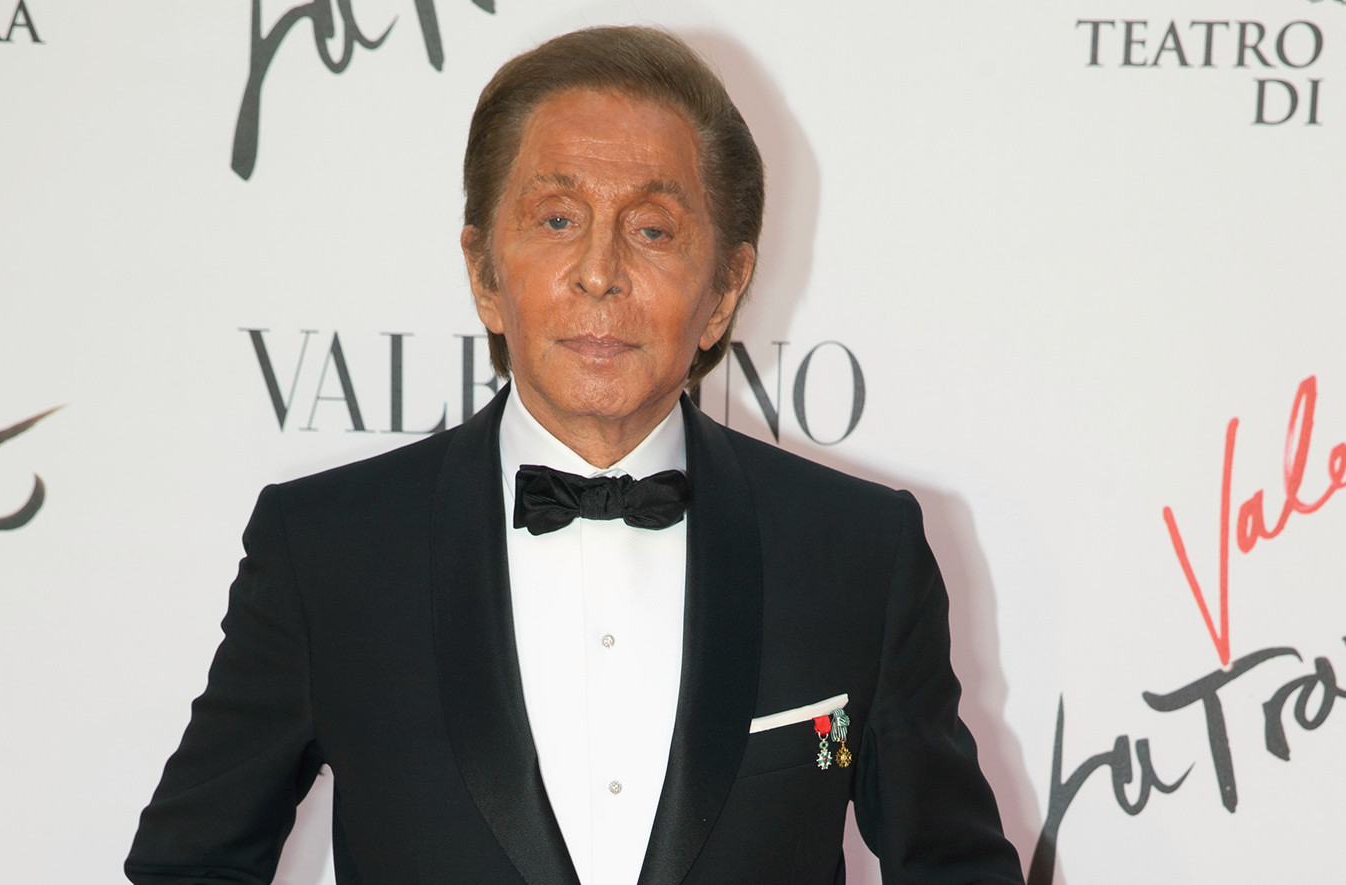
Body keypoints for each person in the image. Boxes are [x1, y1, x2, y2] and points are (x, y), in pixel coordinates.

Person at [127, 25, 1025, 885]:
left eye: (653, 229)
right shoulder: (326, 550)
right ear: (484, 271)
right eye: (557, 219)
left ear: (723, 292)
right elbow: (188, 862)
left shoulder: (858, 553)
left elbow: (957, 867)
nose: (600, 271)